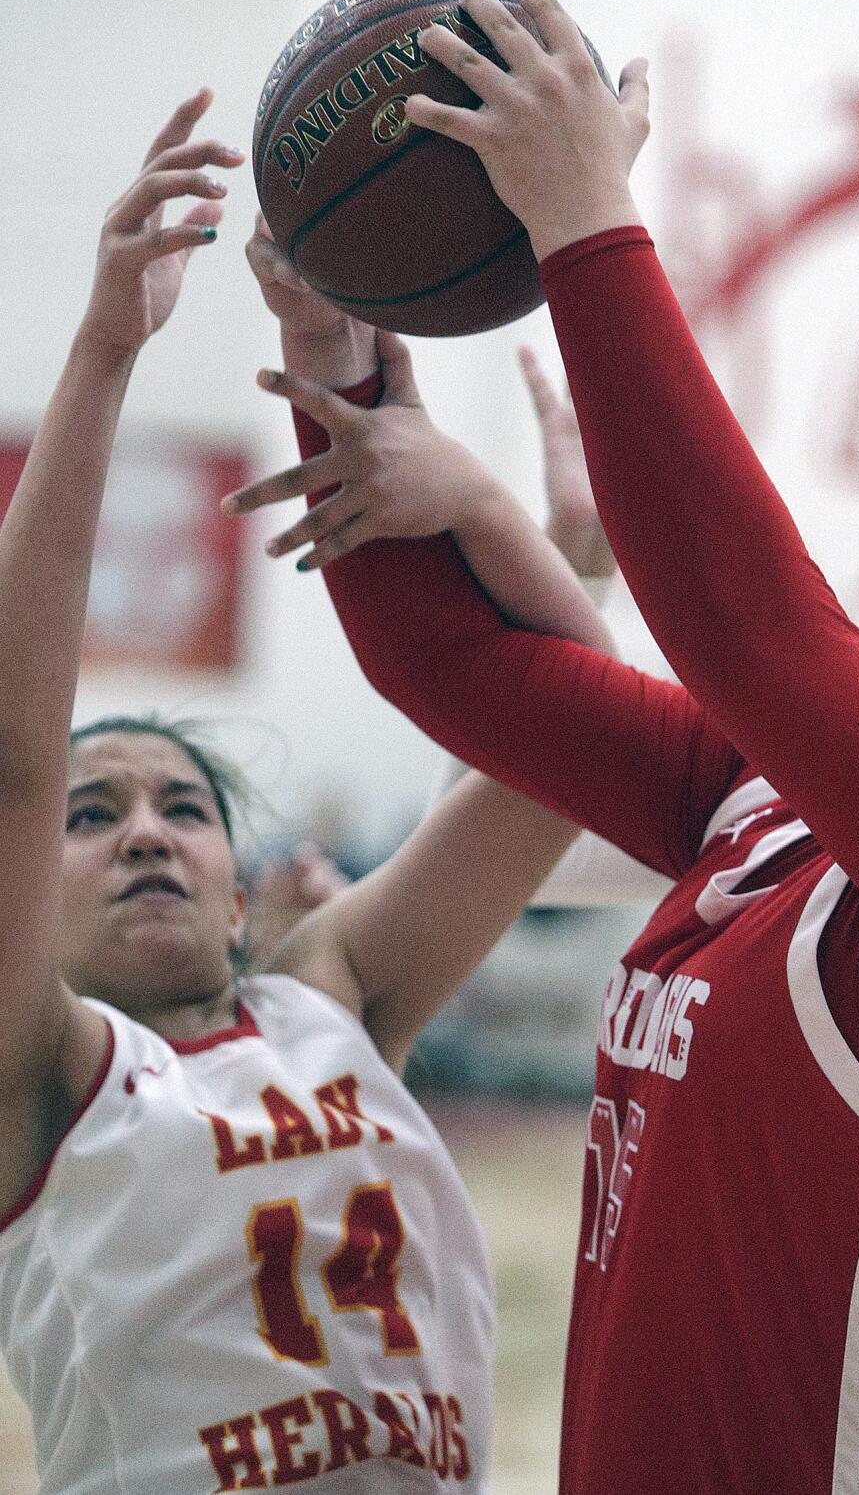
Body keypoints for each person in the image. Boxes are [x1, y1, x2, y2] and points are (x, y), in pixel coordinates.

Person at [232, 0, 859, 1493]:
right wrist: (340, 353)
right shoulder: (780, 812)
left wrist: (585, 222)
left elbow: (751, 627)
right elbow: (462, 670)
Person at [0, 91, 617, 1493]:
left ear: (240, 890)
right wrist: (105, 352)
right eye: (92, 818)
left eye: (182, 809)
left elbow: (581, 747)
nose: (146, 828)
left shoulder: (322, 994)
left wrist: (477, 502)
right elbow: (12, 760)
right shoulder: (41, 1074)